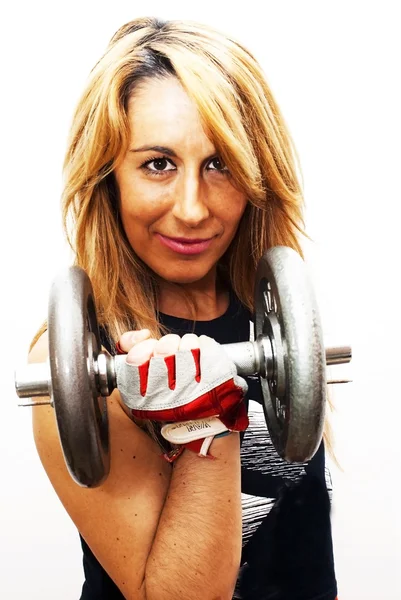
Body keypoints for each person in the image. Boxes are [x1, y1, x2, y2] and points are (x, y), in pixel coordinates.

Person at [29, 16, 338, 600]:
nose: (193, 209)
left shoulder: (266, 317)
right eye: (158, 164)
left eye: (219, 164)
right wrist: (203, 419)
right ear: (108, 179)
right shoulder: (77, 360)